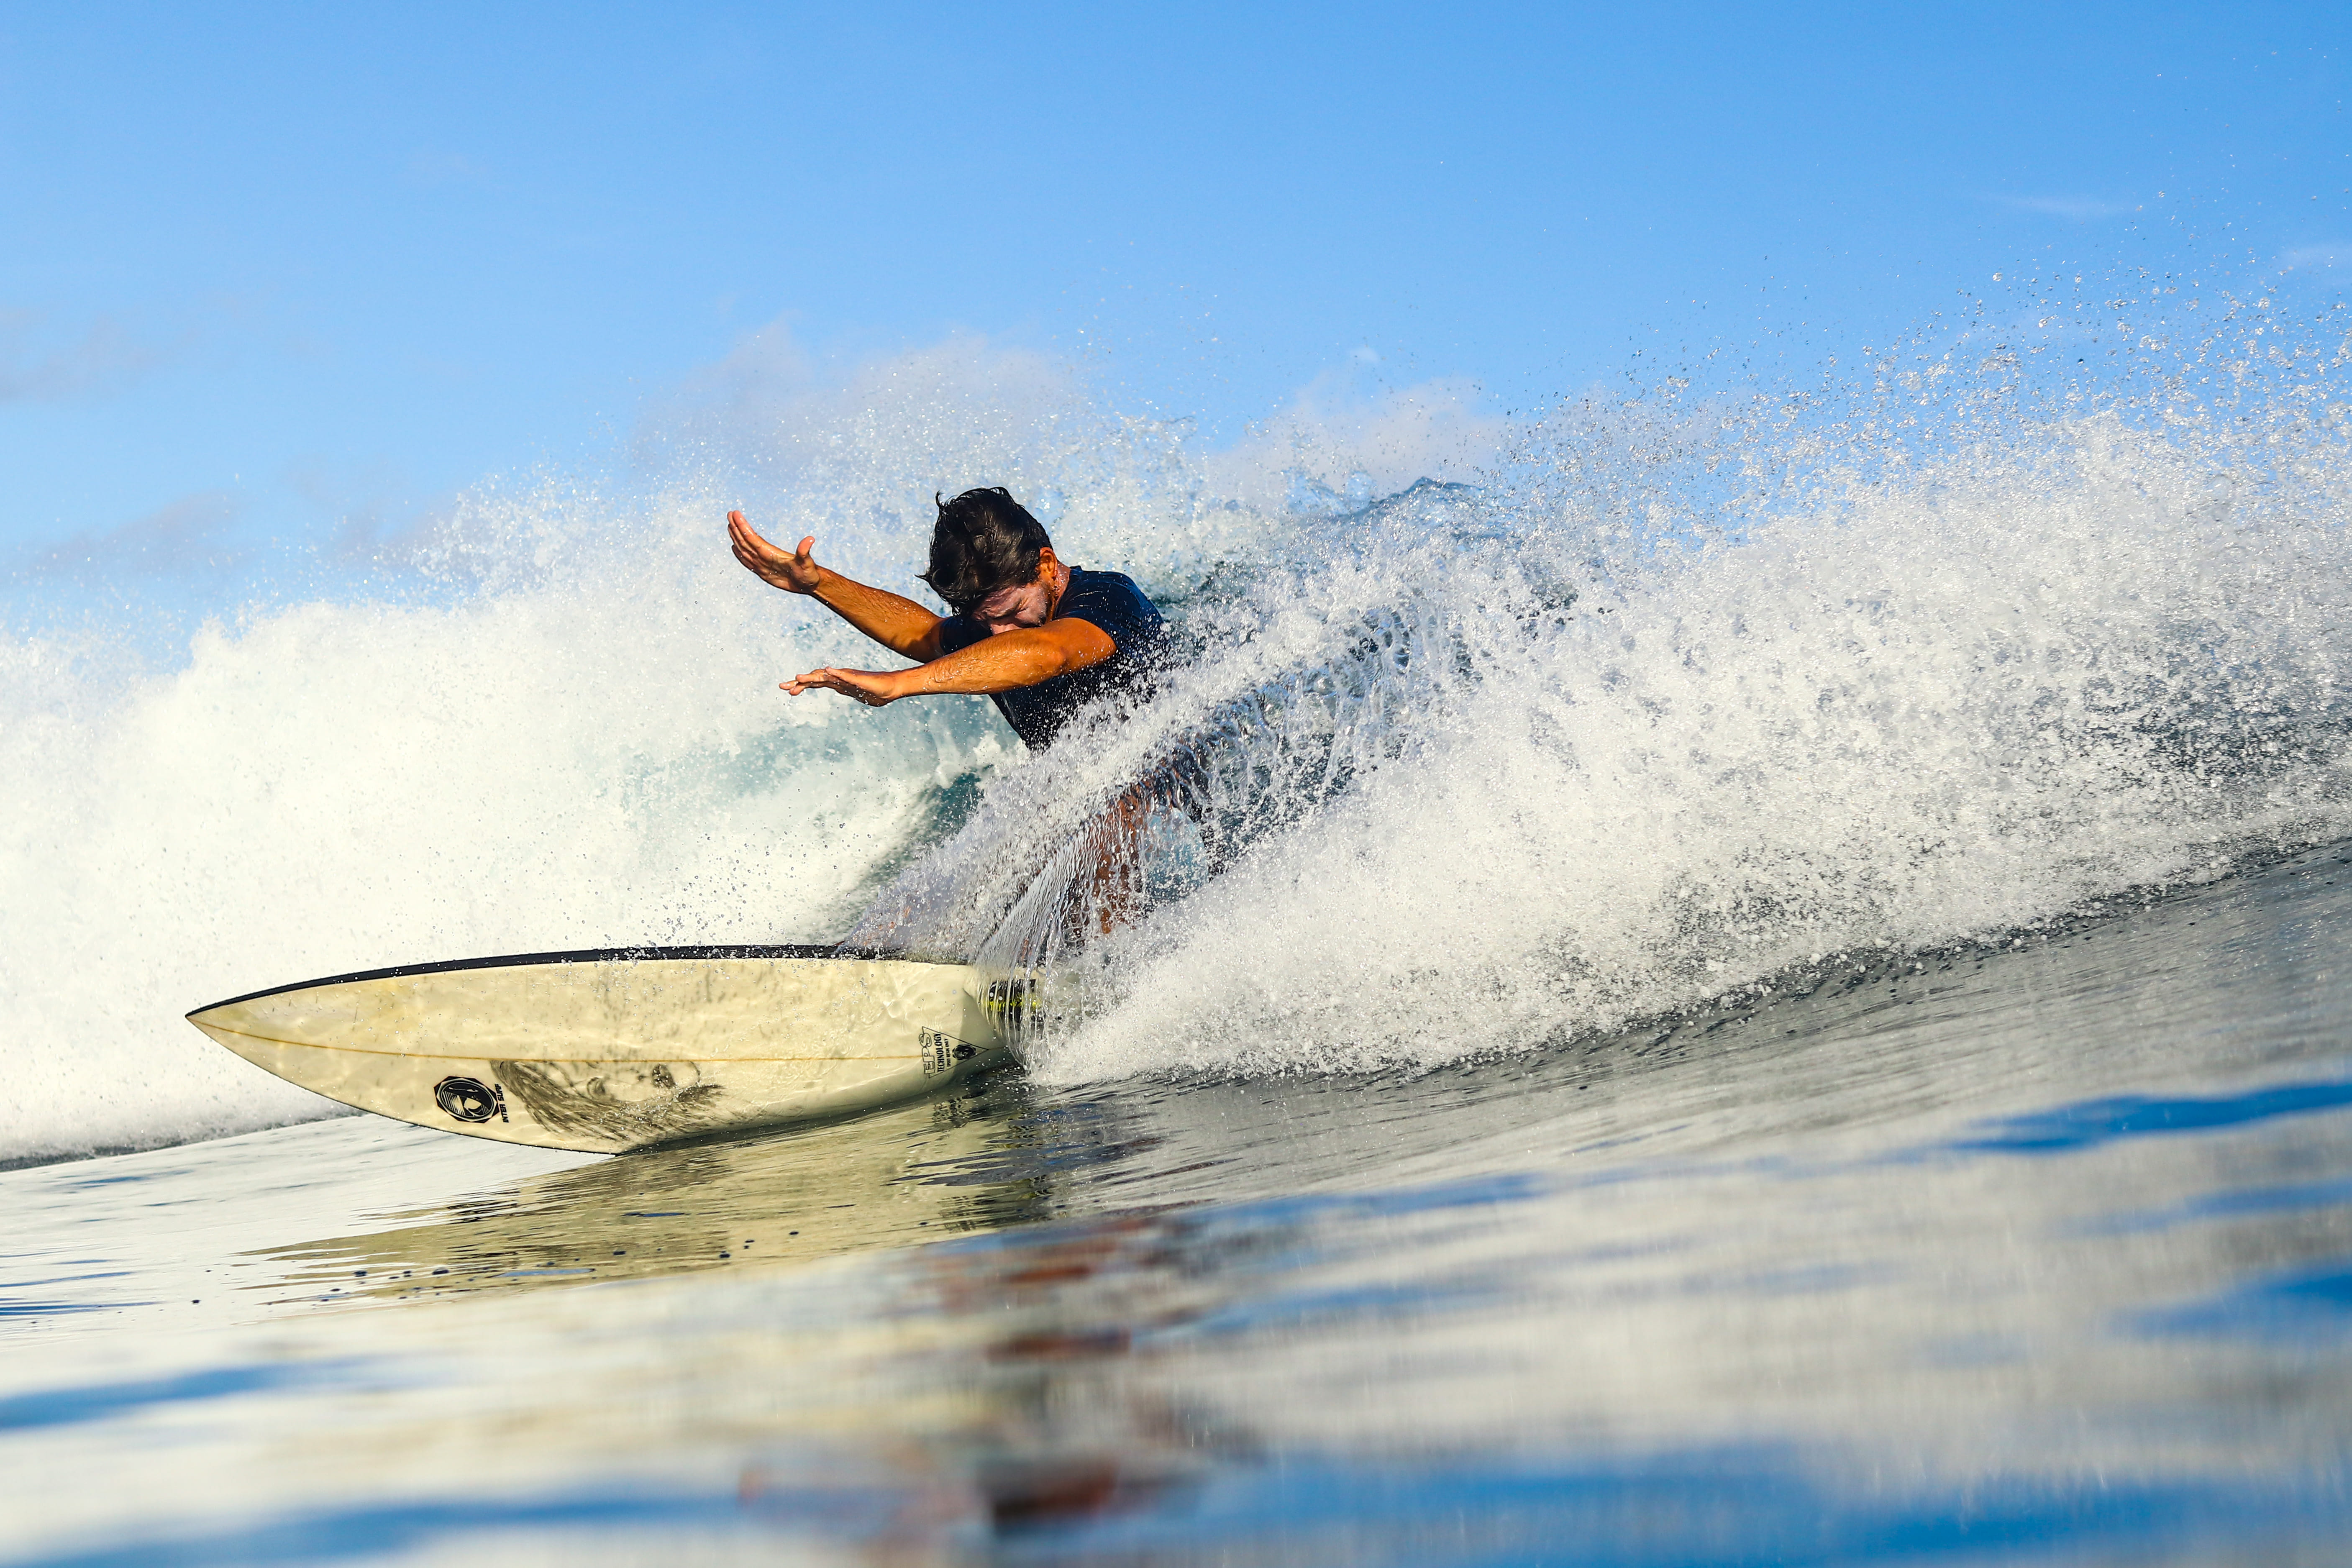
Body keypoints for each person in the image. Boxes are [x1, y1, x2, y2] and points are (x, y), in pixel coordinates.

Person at [727, 487, 1178, 932]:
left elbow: (1050, 652)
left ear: (1045, 564)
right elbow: (925, 635)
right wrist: (819, 584)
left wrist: (899, 685)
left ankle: (1096, 972)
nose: (999, 634)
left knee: (1108, 807)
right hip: (1086, 798)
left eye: (1013, 611)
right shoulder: (997, 625)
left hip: (1182, 791)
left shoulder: (1106, 597)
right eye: (985, 622)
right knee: (968, 872)